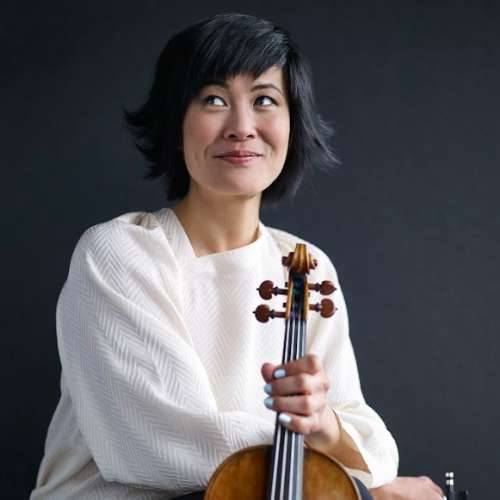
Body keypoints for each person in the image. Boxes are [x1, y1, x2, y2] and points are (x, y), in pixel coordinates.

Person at [30, 13, 444, 500]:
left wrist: (327, 426)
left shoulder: (304, 265)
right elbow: (165, 445)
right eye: (214, 100)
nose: (242, 128)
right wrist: (359, 486)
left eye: (264, 100)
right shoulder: (120, 253)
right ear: (176, 121)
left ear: (292, 124)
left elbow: (363, 433)